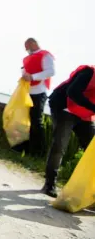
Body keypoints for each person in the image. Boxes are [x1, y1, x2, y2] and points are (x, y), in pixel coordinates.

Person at [42, 65, 95, 197]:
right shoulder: (88, 72)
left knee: (92, 149)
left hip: (83, 114)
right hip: (64, 108)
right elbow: (73, 92)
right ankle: (49, 184)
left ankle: (87, 191)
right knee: (60, 146)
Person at [21, 38, 55, 156]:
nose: (26, 49)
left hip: (39, 92)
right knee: (27, 121)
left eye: (27, 46)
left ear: (33, 43)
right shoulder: (26, 59)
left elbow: (51, 71)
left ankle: (40, 152)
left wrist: (33, 77)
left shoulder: (45, 55)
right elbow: (25, 71)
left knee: (36, 121)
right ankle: (28, 149)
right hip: (27, 92)